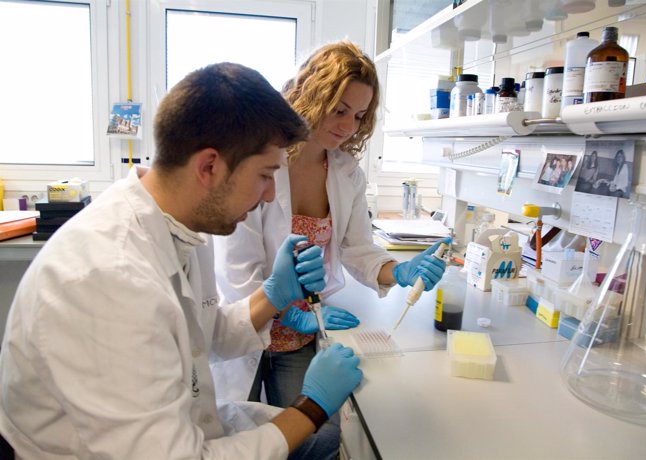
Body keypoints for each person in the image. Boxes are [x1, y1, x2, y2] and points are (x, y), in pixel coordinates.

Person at [0, 62, 362, 459]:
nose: (271, 196)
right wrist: (309, 407)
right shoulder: (108, 277)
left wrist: (273, 295)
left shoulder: (181, 225)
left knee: (338, 442)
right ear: (209, 166)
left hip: (182, 428)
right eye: (264, 175)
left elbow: (203, 333)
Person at [212, 40, 450, 409]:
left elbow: (357, 249)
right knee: (234, 429)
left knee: (303, 434)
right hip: (242, 329)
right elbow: (235, 271)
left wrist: (400, 270)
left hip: (302, 333)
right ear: (311, 95)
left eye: (358, 115)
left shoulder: (345, 173)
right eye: (339, 110)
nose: (348, 126)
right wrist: (287, 312)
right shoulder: (259, 164)